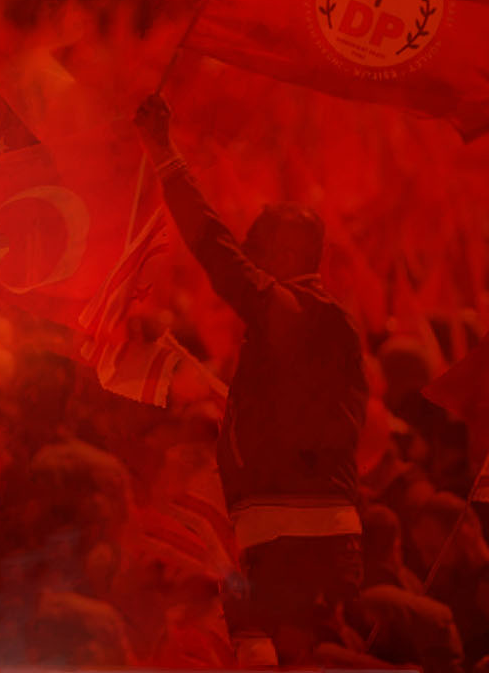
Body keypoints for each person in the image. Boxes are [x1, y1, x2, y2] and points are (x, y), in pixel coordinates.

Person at [134, 94, 371, 665]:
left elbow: (213, 248)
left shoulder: (294, 312)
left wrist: (164, 154)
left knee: (298, 657)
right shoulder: (322, 321)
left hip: (296, 536)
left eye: (256, 245)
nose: (247, 253)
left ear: (288, 251)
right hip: (302, 529)